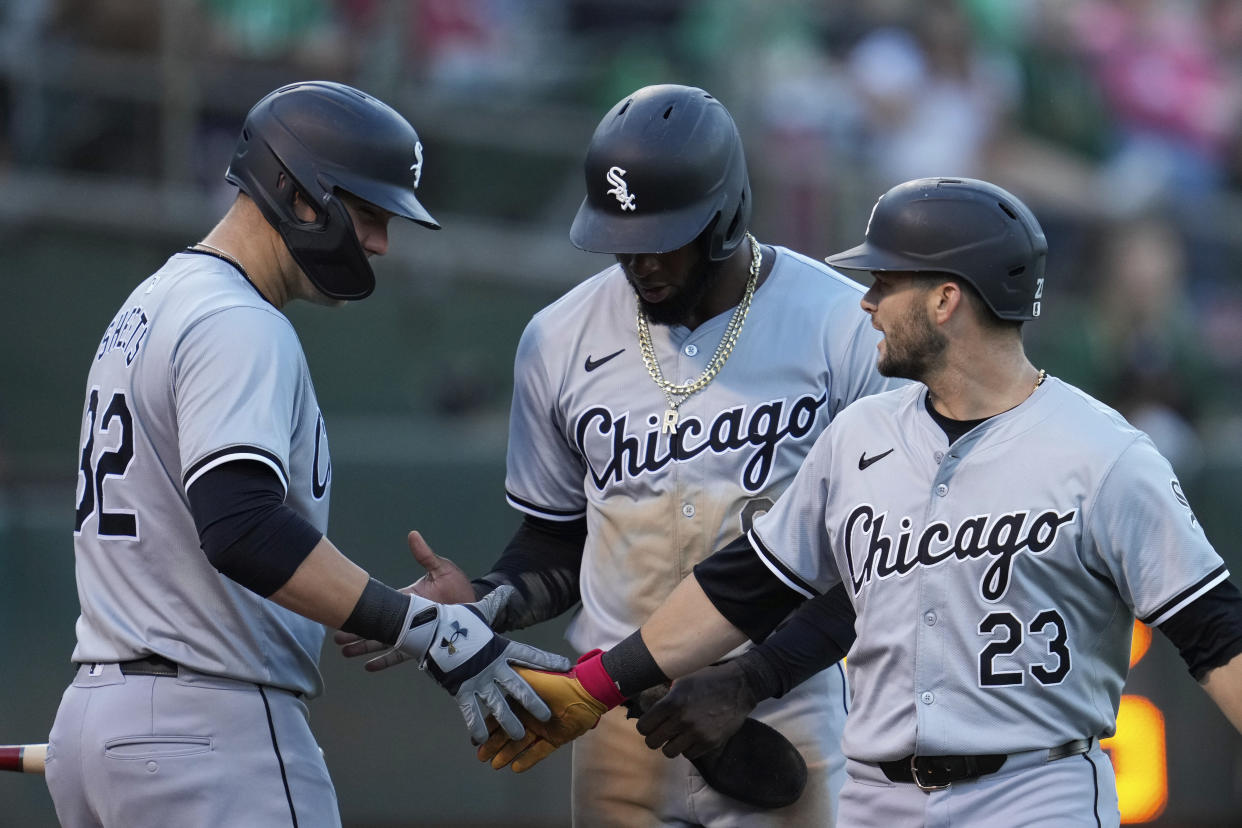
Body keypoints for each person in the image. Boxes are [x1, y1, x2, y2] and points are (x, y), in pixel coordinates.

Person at [479, 177, 1242, 827]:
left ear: (946, 301)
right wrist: (593, 689)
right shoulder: (860, 437)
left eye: (885, 281)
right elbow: (743, 587)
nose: (866, 300)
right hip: (878, 801)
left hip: (1035, 791)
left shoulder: (1104, 454)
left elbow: (1215, 636)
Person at [339, 83, 900, 826]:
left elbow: (878, 558)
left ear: (725, 215)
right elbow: (559, 535)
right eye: (620, 238)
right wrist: (490, 599)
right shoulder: (559, 336)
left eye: (662, 237)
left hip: (780, 705)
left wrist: (751, 680)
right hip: (609, 710)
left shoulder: (841, 326)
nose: (639, 262)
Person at [44, 80, 568, 828]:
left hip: (105, 726)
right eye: (368, 214)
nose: (381, 244)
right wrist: (429, 630)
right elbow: (244, 527)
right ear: (296, 193)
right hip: (210, 732)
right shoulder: (237, 319)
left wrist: (367, 604)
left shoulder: (155, 299)